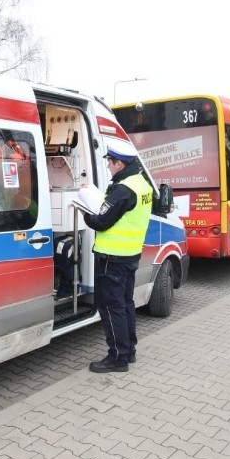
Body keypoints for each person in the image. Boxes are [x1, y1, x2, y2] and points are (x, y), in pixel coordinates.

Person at [83, 137, 153, 373]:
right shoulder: (141, 184)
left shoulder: (123, 190)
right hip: (130, 255)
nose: (108, 166)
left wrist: (84, 211)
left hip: (112, 258)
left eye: (110, 162)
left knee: (112, 308)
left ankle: (117, 358)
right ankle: (129, 351)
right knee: (125, 304)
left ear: (119, 164)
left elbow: (101, 221)